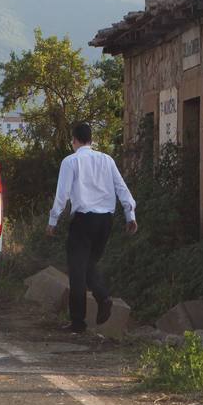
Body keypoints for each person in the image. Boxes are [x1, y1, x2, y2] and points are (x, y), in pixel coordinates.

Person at [46, 122, 137, 333]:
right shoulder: (107, 160)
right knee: (88, 265)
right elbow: (121, 188)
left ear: (74, 140)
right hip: (105, 221)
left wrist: (52, 221)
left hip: (83, 220)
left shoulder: (71, 161)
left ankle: (81, 319)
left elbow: (63, 195)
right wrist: (129, 214)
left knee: (78, 271)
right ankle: (101, 299)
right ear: (91, 139)